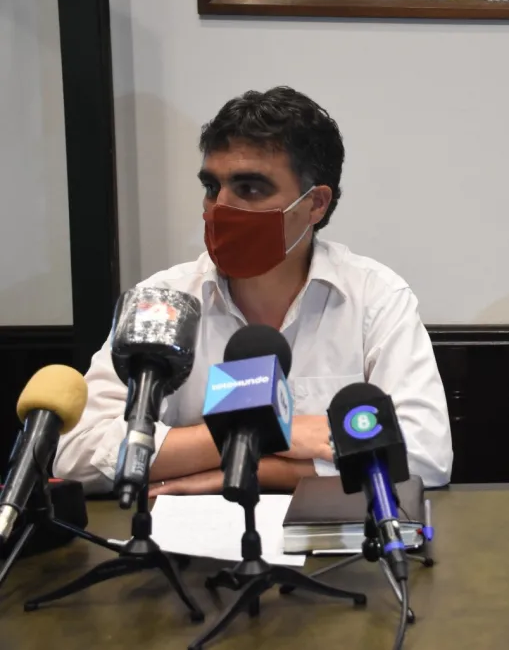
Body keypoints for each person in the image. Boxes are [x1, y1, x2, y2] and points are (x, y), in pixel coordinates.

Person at [54, 86, 453, 495]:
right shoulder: (162, 301)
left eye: (250, 188)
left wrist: (249, 470)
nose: (220, 207)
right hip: (191, 533)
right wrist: (272, 432)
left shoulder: (375, 296)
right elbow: (77, 452)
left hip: (332, 533)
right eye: (213, 187)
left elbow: (425, 453)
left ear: (315, 204)